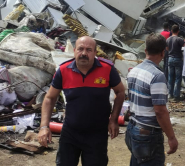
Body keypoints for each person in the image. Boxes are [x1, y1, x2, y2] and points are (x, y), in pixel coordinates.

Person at [38, 36, 125, 166]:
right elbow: (50, 98)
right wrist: (44, 127)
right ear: (74, 51)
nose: (84, 53)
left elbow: (121, 92)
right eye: (80, 49)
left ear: (95, 52)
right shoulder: (63, 70)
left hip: (97, 134)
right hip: (70, 133)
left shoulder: (107, 69)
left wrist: (113, 120)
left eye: (89, 50)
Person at [126, 33, 178, 165]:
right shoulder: (157, 76)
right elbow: (160, 111)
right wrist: (171, 138)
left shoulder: (133, 71)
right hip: (147, 135)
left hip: (133, 129)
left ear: (145, 51)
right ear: (163, 53)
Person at [166, 25, 185, 101]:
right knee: (178, 78)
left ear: (171, 31)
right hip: (177, 59)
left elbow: (167, 49)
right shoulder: (179, 39)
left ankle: (170, 94)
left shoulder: (168, 39)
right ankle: (176, 96)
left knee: (170, 77)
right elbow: (184, 48)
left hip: (170, 59)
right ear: (178, 31)